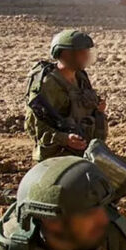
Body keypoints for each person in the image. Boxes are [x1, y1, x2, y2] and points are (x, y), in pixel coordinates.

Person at [25, 30, 107, 162]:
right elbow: (37, 128)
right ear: (66, 55)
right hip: (58, 157)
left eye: (87, 52)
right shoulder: (49, 85)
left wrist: (98, 111)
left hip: (83, 152)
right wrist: (65, 139)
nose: (86, 56)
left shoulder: (80, 77)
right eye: (82, 53)